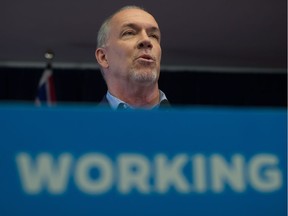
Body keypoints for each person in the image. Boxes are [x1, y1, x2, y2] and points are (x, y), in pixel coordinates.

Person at [95, 5, 169, 110]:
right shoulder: (82, 125)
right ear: (103, 57)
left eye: (153, 36)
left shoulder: (191, 125)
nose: (146, 40)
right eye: (129, 33)